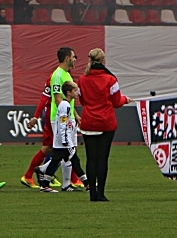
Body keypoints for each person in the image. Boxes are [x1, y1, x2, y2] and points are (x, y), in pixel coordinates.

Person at [21, 47, 78, 190]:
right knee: (63, 149)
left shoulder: (66, 74)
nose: (75, 59)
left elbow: (67, 100)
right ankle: (68, 180)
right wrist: (65, 117)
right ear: (67, 58)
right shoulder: (57, 75)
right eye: (73, 56)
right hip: (59, 118)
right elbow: (57, 99)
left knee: (63, 149)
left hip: (66, 117)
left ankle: (62, 180)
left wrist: (75, 115)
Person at [77, 48, 129, 202]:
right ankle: (101, 193)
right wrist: (126, 99)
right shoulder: (110, 80)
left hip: (88, 122)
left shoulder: (82, 79)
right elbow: (116, 102)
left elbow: (82, 100)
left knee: (91, 158)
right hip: (106, 122)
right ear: (103, 60)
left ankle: (92, 193)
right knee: (102, 158)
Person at [38, 81, 87, 193]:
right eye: (75, 90)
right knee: (75, 160)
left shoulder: (65, 105)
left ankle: (44, 184)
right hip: (64, 142)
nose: (77, 92)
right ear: (68, 93)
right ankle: (88, 184)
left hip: (60, 141)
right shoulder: (65, 106)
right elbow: (63, 123)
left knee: (56, 161)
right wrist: (65, 140)